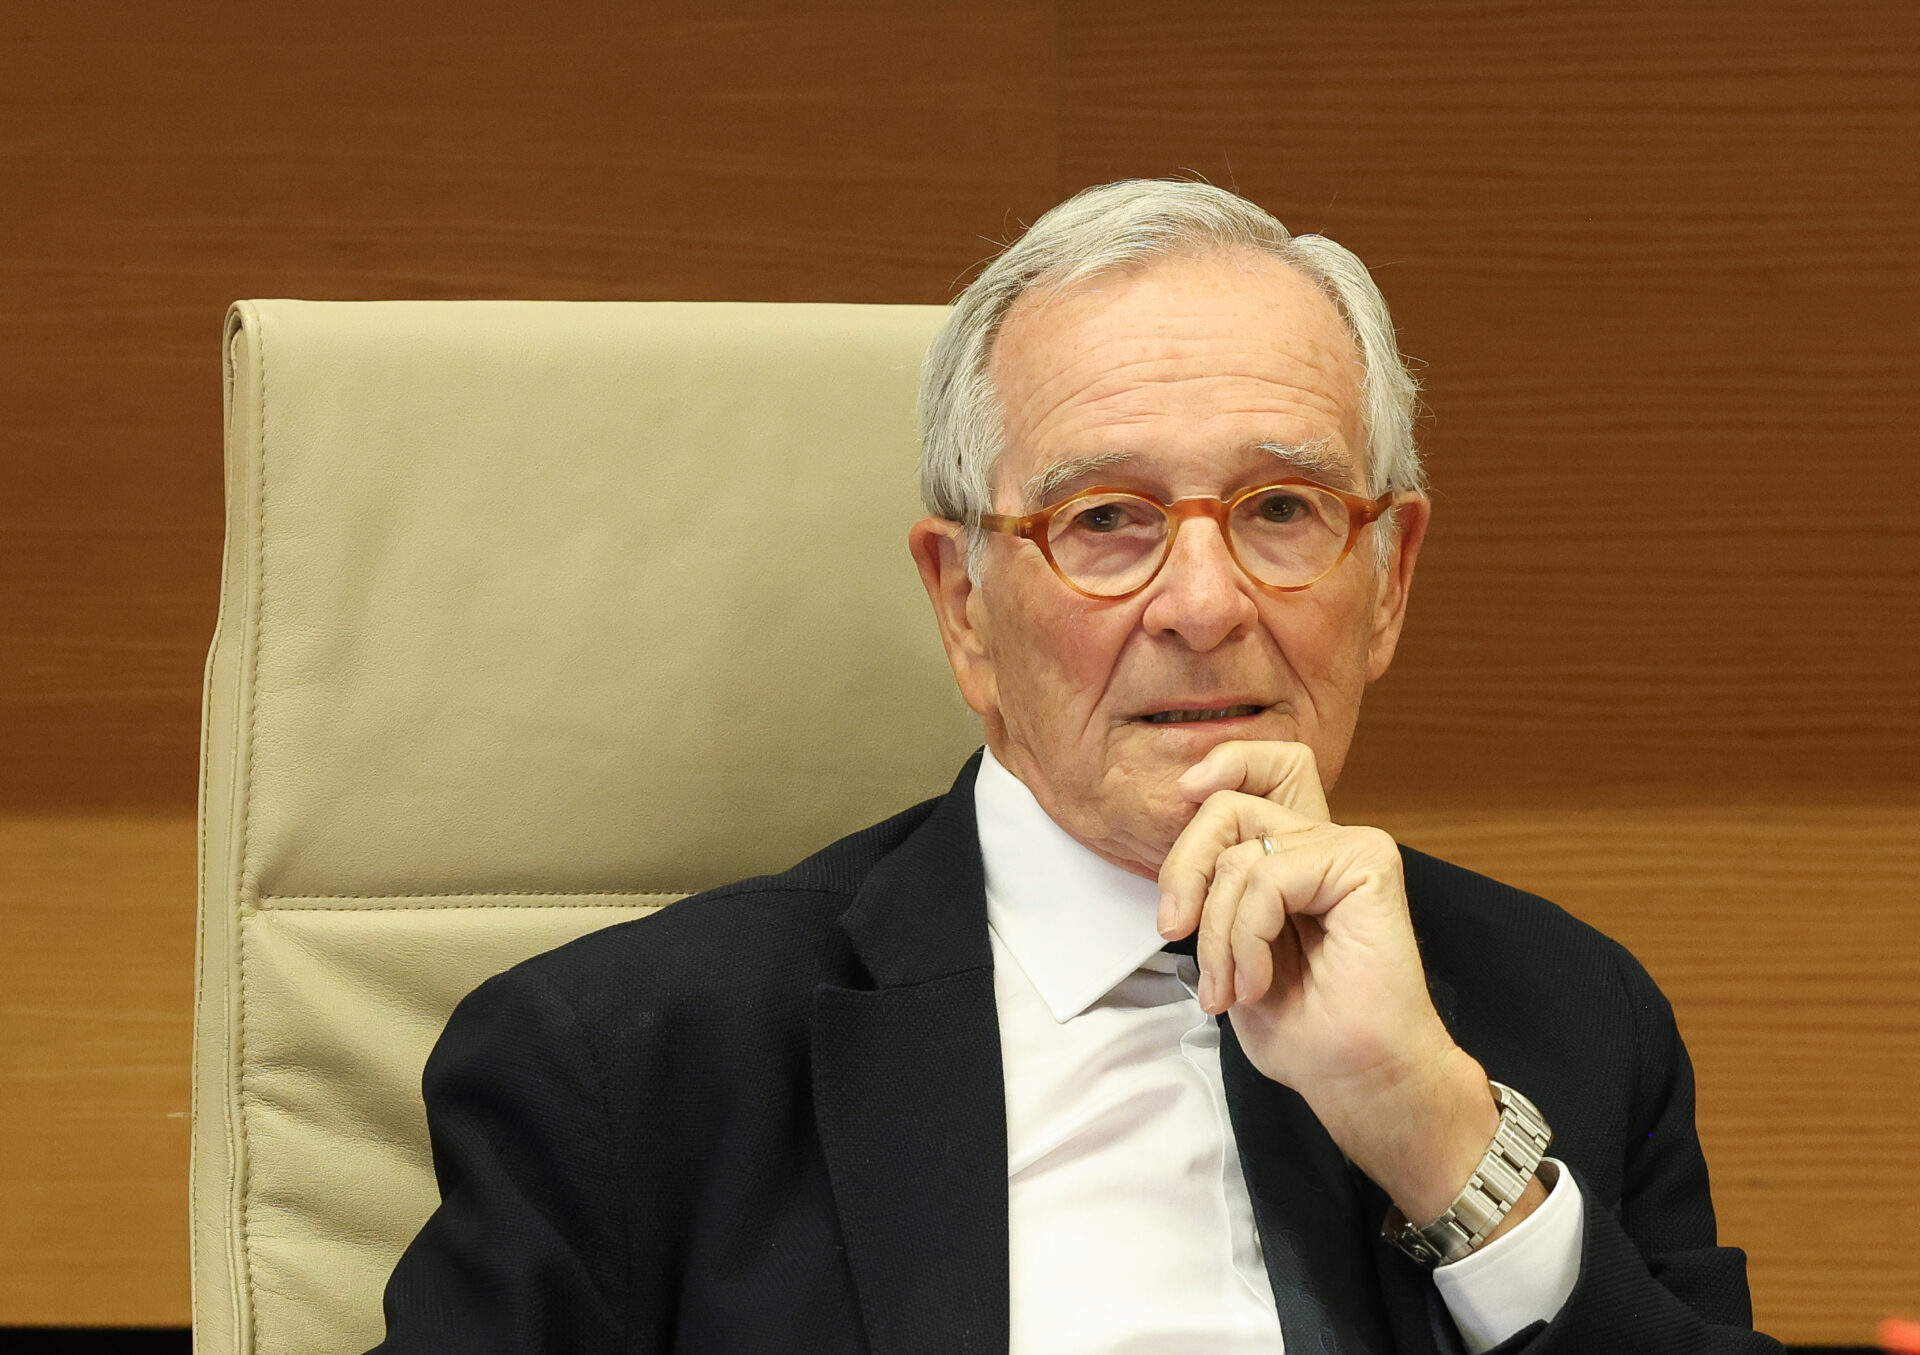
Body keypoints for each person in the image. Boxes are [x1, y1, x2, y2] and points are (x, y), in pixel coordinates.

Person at [368, 181, 1780, 1353]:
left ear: (1388, 579)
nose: (1205, 605)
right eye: (1105, 520)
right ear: (963, 605)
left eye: (1281, 508)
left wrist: (1436, 1137)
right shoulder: (629, 1069)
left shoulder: (1567, 1015)